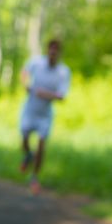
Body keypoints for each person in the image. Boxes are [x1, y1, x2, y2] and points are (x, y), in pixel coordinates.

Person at [19, 39, 71, 195]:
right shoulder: (37, 62)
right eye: (51, 49)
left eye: (56, 50)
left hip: (45, 115)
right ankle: (29, 155)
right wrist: (26, 84)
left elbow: (62, 96)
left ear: (59, 53)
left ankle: (34, 177)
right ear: (47, 50)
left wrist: (45, 94)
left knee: (42, 144)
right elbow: (24, 72)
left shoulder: (63, 71)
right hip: (29, 110)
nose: (53, 53)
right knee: (25, 140)